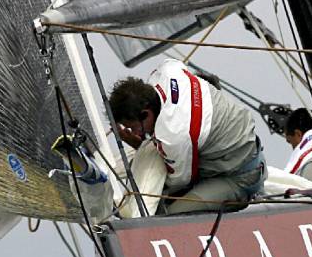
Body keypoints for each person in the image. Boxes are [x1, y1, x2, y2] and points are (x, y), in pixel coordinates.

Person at [108, 59, 265, 214]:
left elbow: (178, 180)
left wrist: (141, 146)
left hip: (240, 177)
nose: (135, 133)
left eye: (133, 127)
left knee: (169, 214)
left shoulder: (173, 135)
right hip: (244, 148)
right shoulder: (167, 71)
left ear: (145, 114)